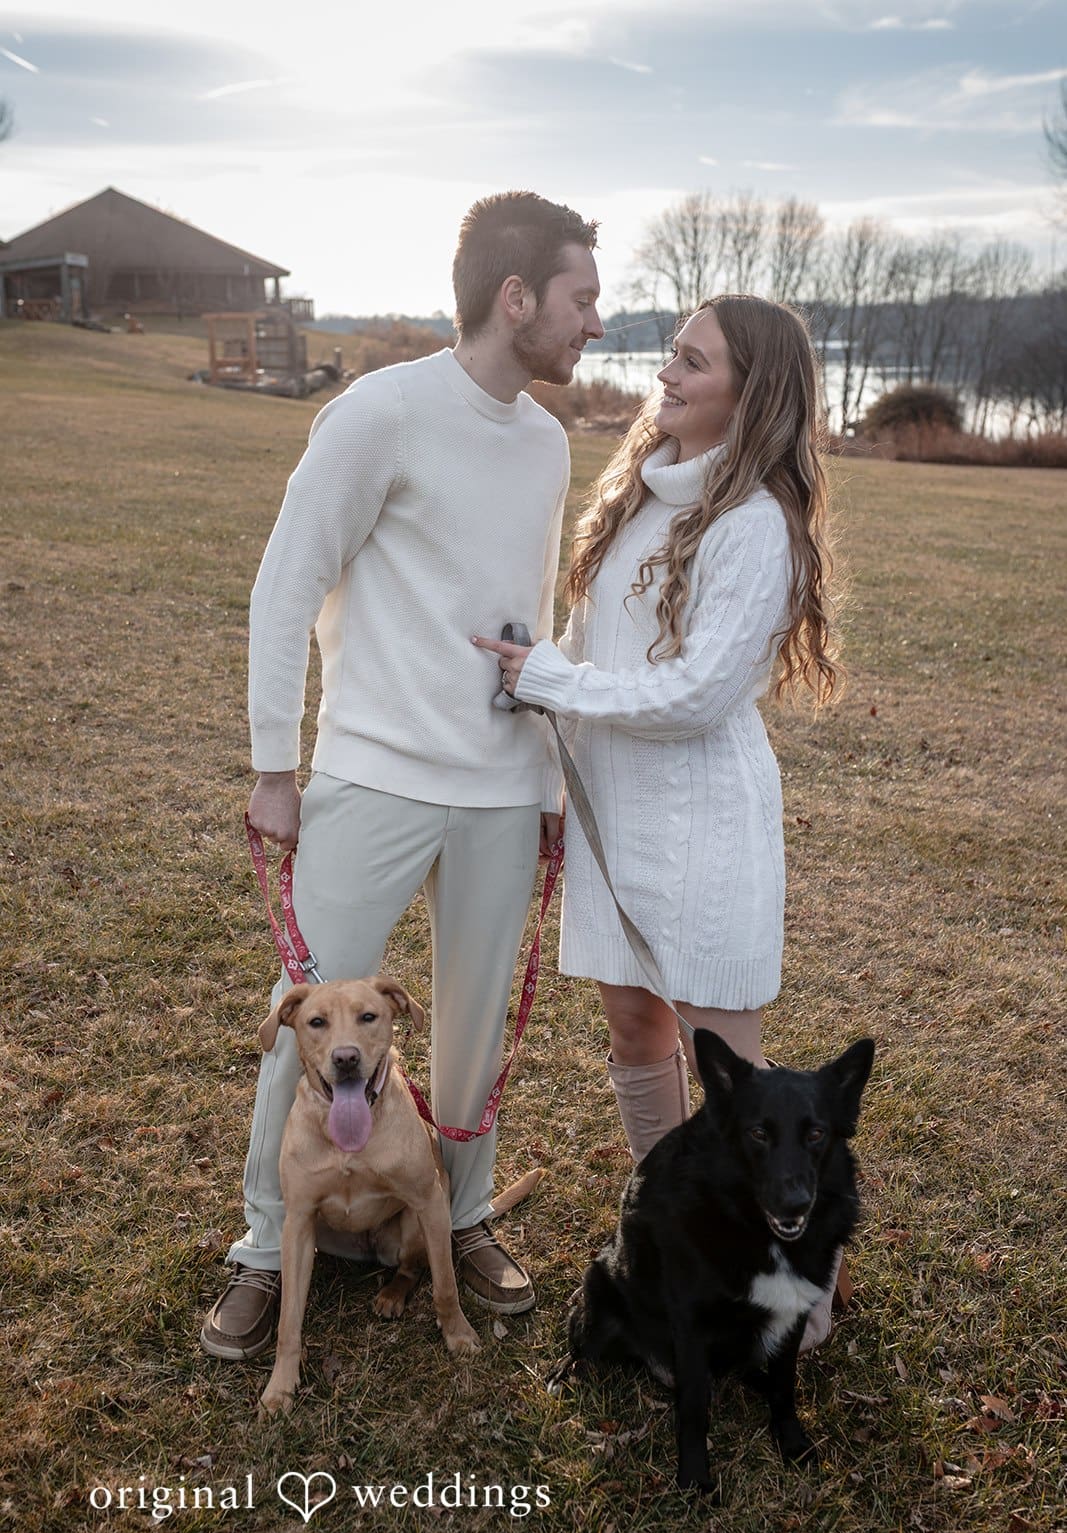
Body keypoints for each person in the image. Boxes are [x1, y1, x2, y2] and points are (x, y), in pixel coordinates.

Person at [201, 191, 603, 1360]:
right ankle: (267, 1250)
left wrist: (545, 784)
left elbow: (525, 627)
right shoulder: (376, 413)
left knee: (468, 1036)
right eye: (580, 298)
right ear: (515, 297)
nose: (594, 320)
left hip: (497, 788)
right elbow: (286, 585)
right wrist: (276, 764)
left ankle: (460, 1214)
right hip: (369, 776)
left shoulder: (545, 441)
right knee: (309, 1024)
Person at [475, 294, 842, 1348]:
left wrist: (545, 678)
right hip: (613, 809)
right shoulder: (639, 486)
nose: (665, 372)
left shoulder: (753, 524)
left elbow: (693, 694)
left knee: (733, 1077)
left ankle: (788, 1277)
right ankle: (676, 1230)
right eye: (671, 353)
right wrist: (558, 793)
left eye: (692, 360)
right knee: (634, 1030)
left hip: (703, 823)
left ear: (750, 389)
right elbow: (599, 662)